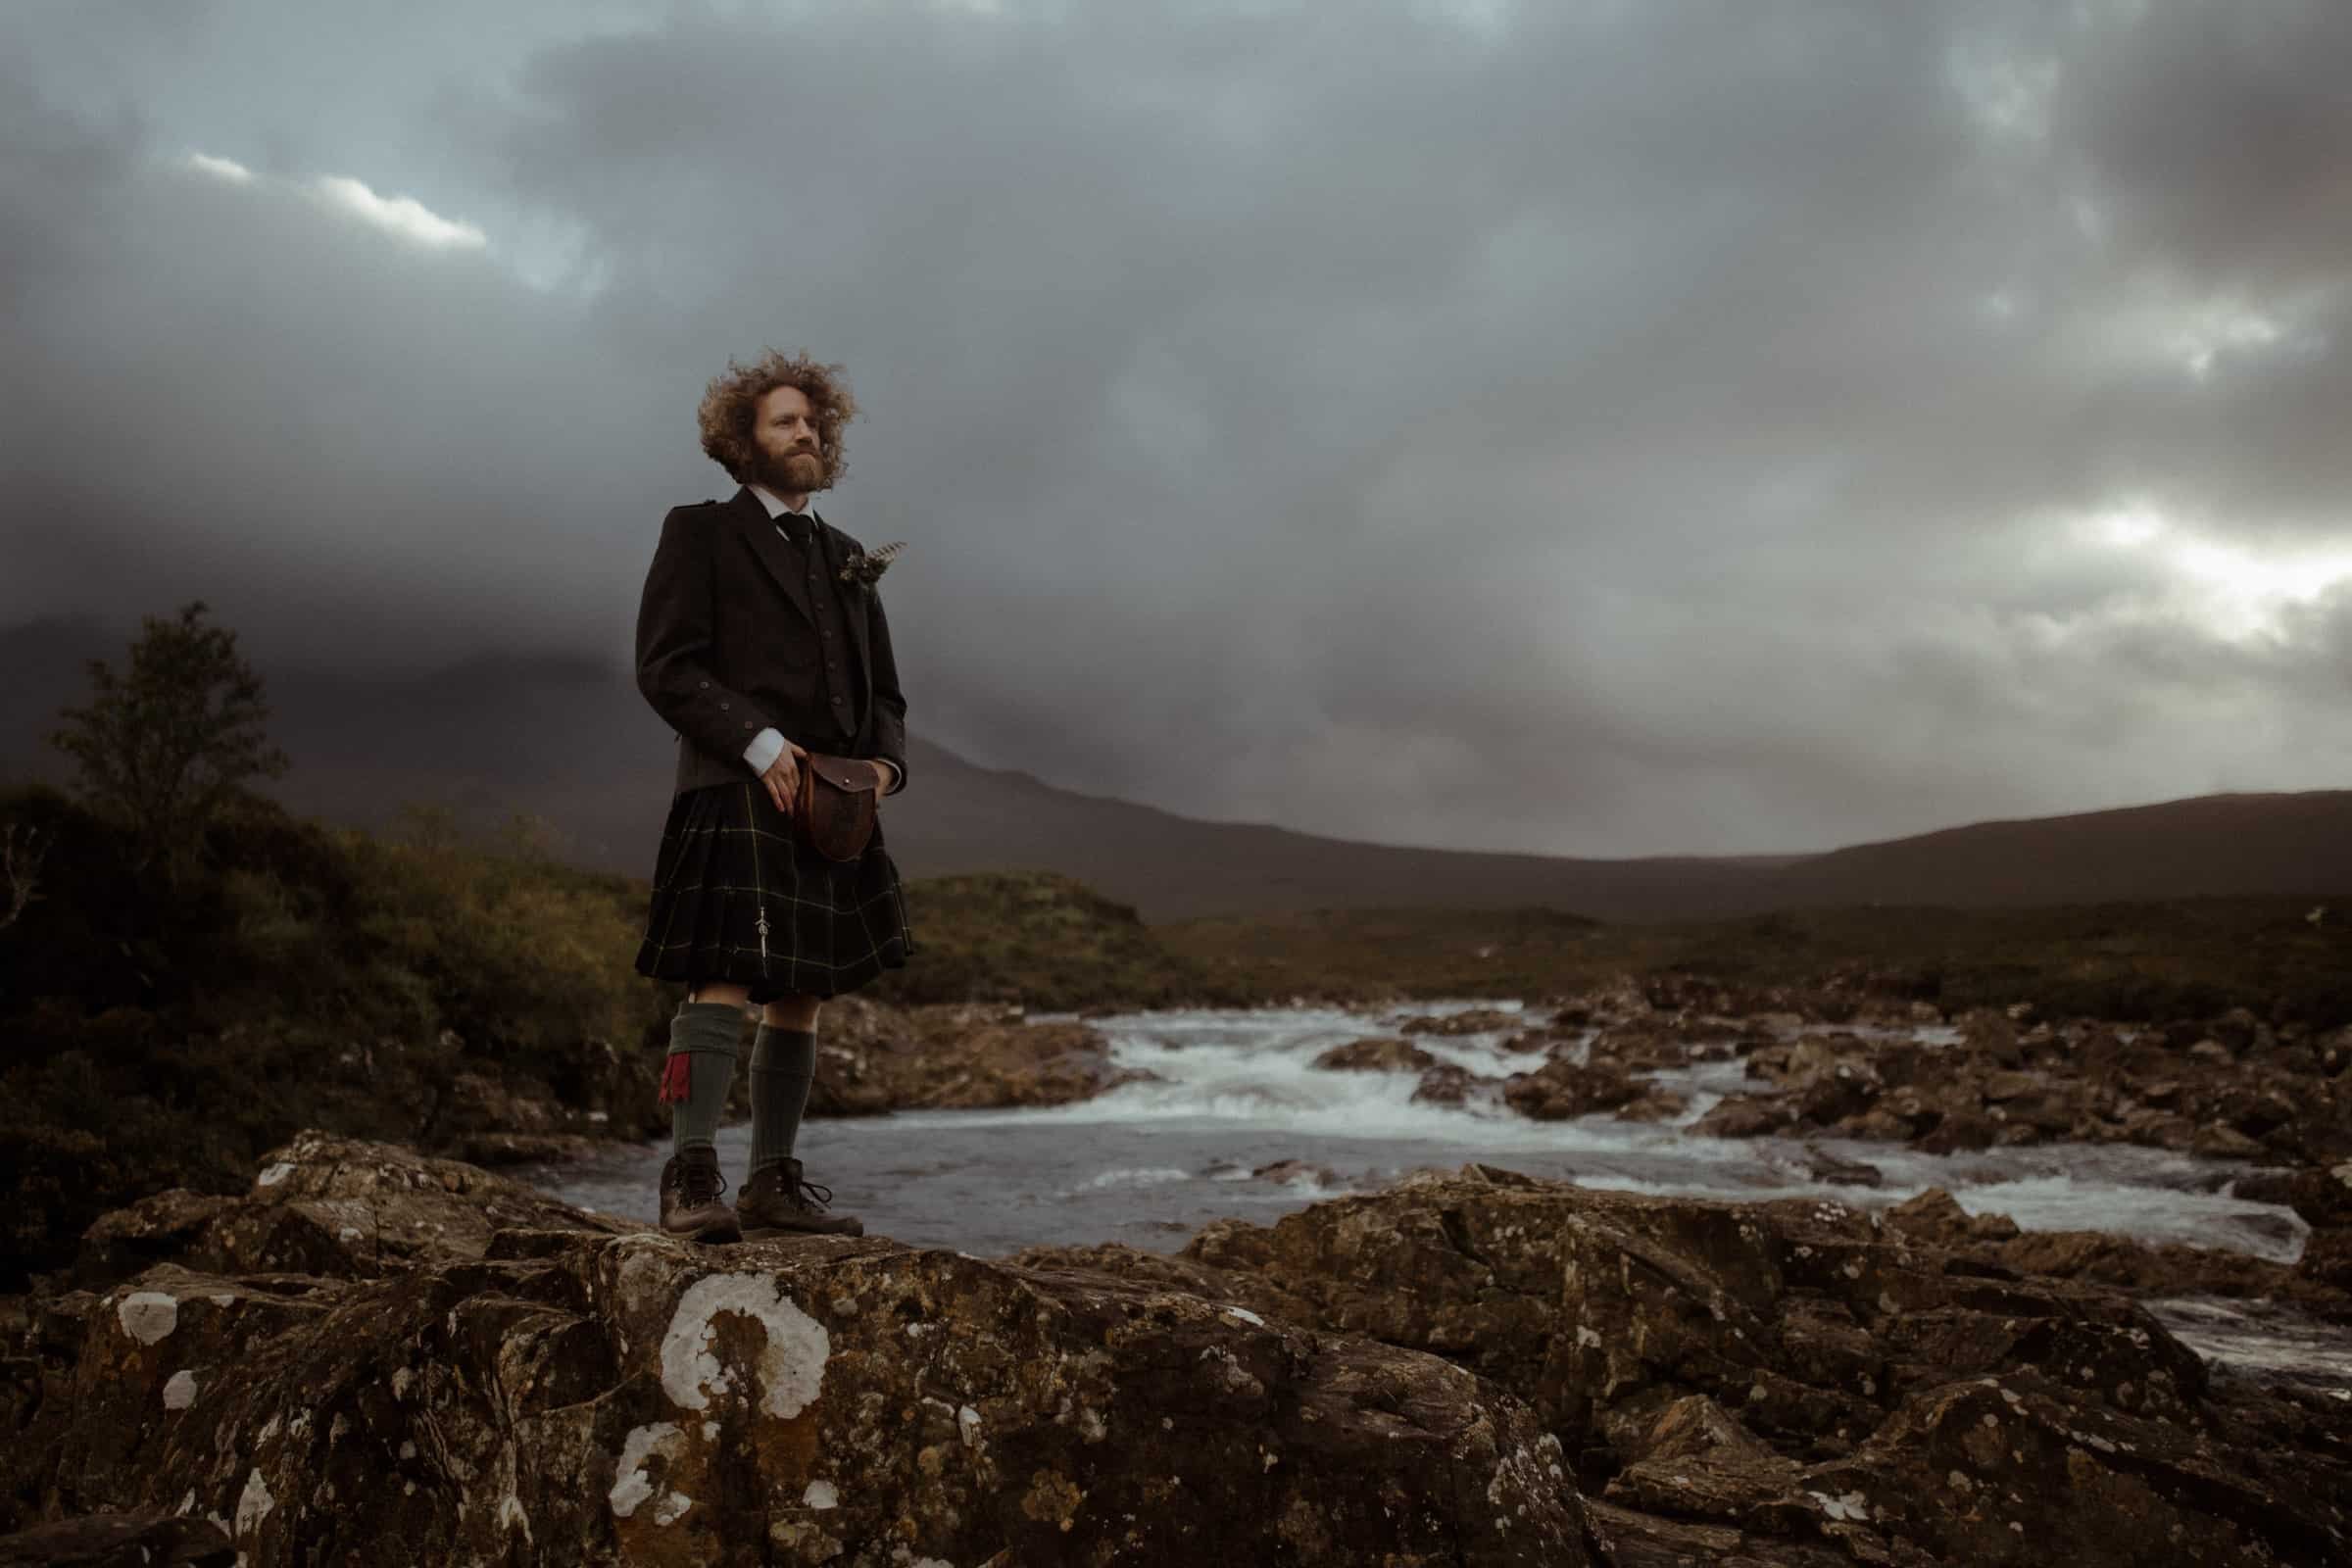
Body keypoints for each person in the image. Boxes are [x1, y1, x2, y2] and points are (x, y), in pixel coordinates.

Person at [630, 348, 915, 1244]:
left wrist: (883, 768)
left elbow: (888, 695)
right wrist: (756, 743)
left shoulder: (844, 556)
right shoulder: (702, 532)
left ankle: (772, 1184)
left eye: (812, 421)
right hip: (735, 782)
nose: (806, 434)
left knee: (804, 990)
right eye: (784, 422)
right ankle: (690, 1178)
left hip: (833, 805)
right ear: (740, 442)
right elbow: (666, 668)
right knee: (720, 977)